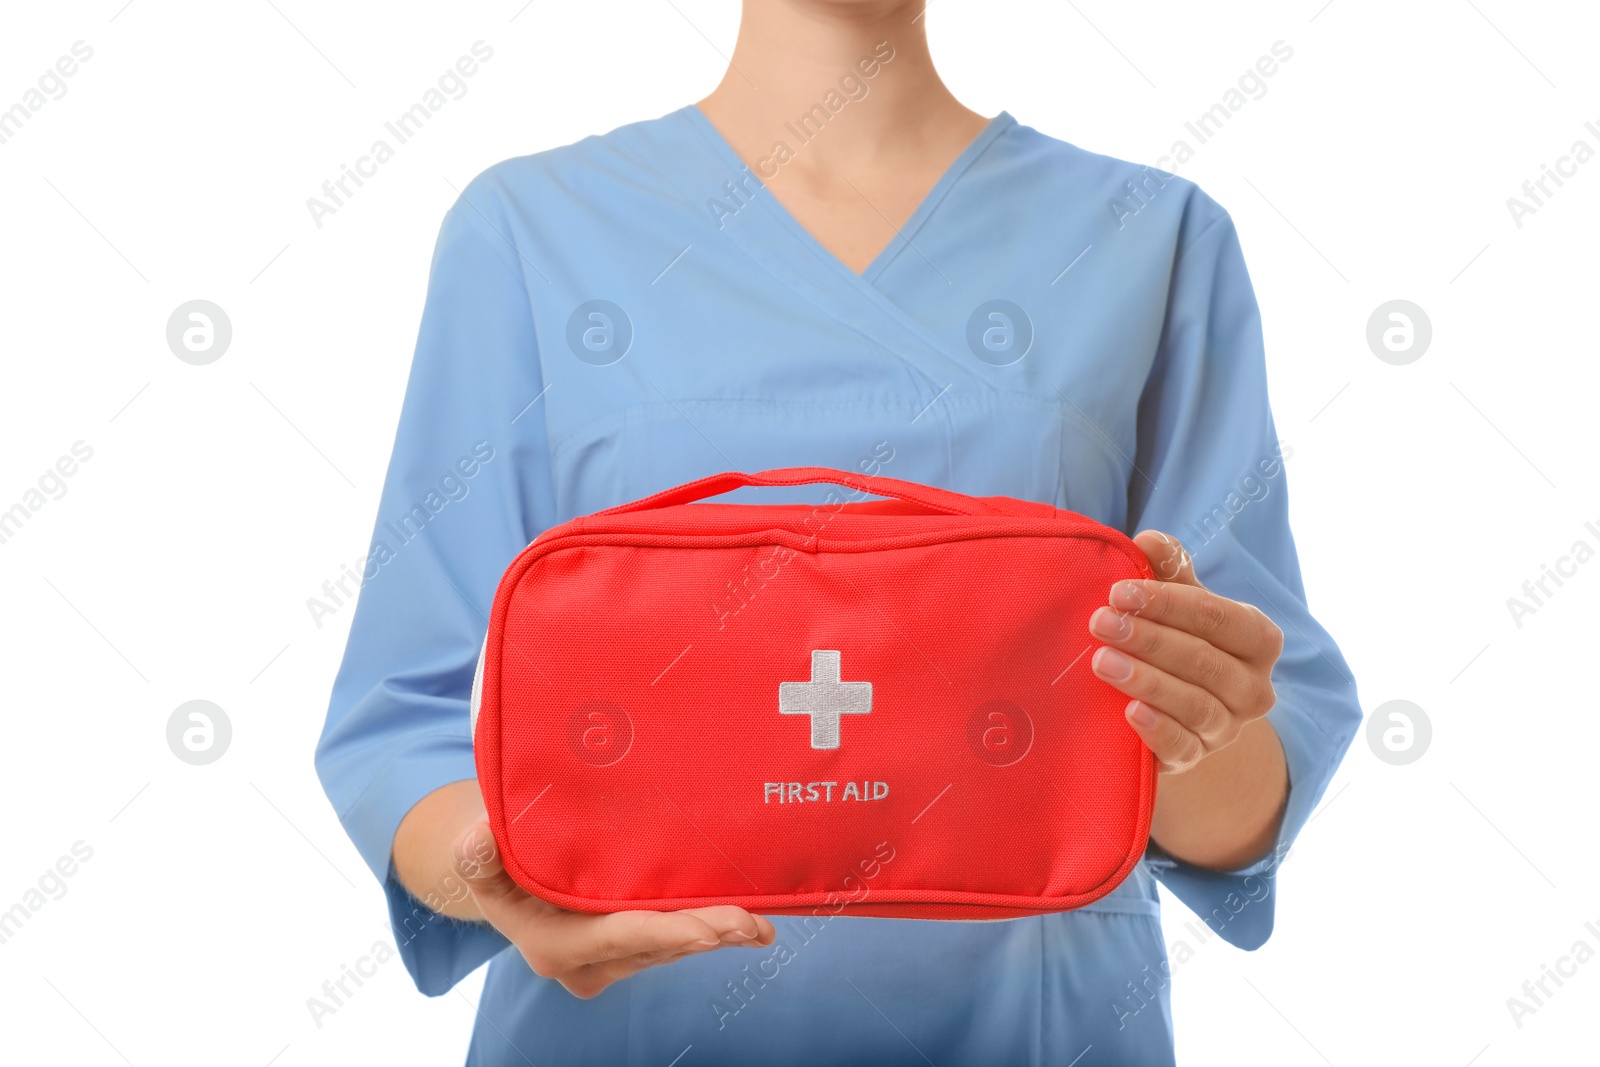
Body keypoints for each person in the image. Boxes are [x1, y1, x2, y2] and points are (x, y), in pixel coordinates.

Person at [315, 2, 1360, 1062]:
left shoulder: (1151, 230)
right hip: (628, 1027)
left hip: (1035, 1027)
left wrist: (1184, 722)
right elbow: (399, 720)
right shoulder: (530, 228)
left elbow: (1256, 763)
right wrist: (498, 878)